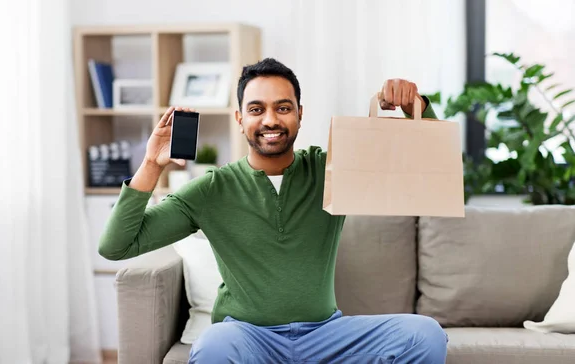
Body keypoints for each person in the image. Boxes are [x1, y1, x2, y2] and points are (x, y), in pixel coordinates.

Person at [99, 58, 448, 363]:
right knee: (214, 345)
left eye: (283, 108)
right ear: (240, 118)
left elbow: (430, 165)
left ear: (299, 114)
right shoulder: (212, 189)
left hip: (326, 336)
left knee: (424, 334)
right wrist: (150, 165)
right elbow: (116, 246)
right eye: (256, 109)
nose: (270, 120)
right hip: (249, 338)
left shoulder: (331, 170)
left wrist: (412, 106)